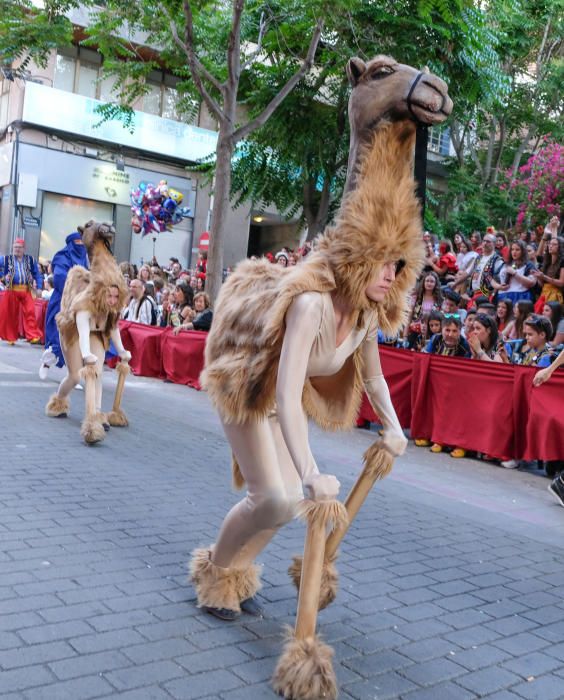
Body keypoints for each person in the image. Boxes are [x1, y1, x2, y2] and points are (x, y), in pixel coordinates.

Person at [415, 315, 469, 457]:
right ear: (442, 329)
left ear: (460, 331)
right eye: (447, 330)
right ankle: (430, 436)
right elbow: (425, 356)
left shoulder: (464, 346)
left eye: (454, 331)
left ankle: (447, 441)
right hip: (435, 382)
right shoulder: (436, 339)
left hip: (456, 388)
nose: (450, 334)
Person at [39, 232, 90, 379]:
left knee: (78, 340)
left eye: (82, 242)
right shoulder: (61, 257)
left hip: (80, 303)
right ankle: (46, 363)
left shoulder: (86, 258)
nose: (80, 245)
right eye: (77, 242)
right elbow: (61, 277)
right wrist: (75, 288)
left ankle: (74, 374)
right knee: (57, 338)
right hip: (62, 302)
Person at [0, 238, 43, 345]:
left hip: (26, 289)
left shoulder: (31, 260)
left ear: (24, 249)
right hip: (11, 289)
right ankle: (11, 337)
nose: (17, 249)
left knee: (30, 312)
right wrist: (3, 277)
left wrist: (39, 287)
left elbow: (37, 274)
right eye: (15, 247)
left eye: (19, 247)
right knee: (10, 314)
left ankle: (33, 336)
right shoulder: (5, 259)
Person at [462, 233, 504, 303]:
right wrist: (455, 285)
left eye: (488, 242)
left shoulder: (497, 259)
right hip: (474, 294)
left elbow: (497, 280)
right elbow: (467, 274)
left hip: (486, 295)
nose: (484, 243)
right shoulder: (478, 258)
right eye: (484, 241)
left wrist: (492, 296)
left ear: (494, 244)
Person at [494, 239, 537, 305]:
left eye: (517, 250)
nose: (514, 252)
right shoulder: (505, 264)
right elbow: (493, 280)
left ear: (523, 251)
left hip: (520, 296)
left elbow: (532, 283)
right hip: (502, 296)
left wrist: (515, 273)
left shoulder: (528, 265)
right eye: (512, 249)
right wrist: (499, 286)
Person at [405, 272, 442, 347]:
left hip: (431, 333)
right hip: (414, 331)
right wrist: (405, 335)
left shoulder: (439, 299)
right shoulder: (416, 297)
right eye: (427, 281)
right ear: (423, 282)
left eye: (432, 281)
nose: (429, 283)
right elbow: (409, 317)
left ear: (436, 284)